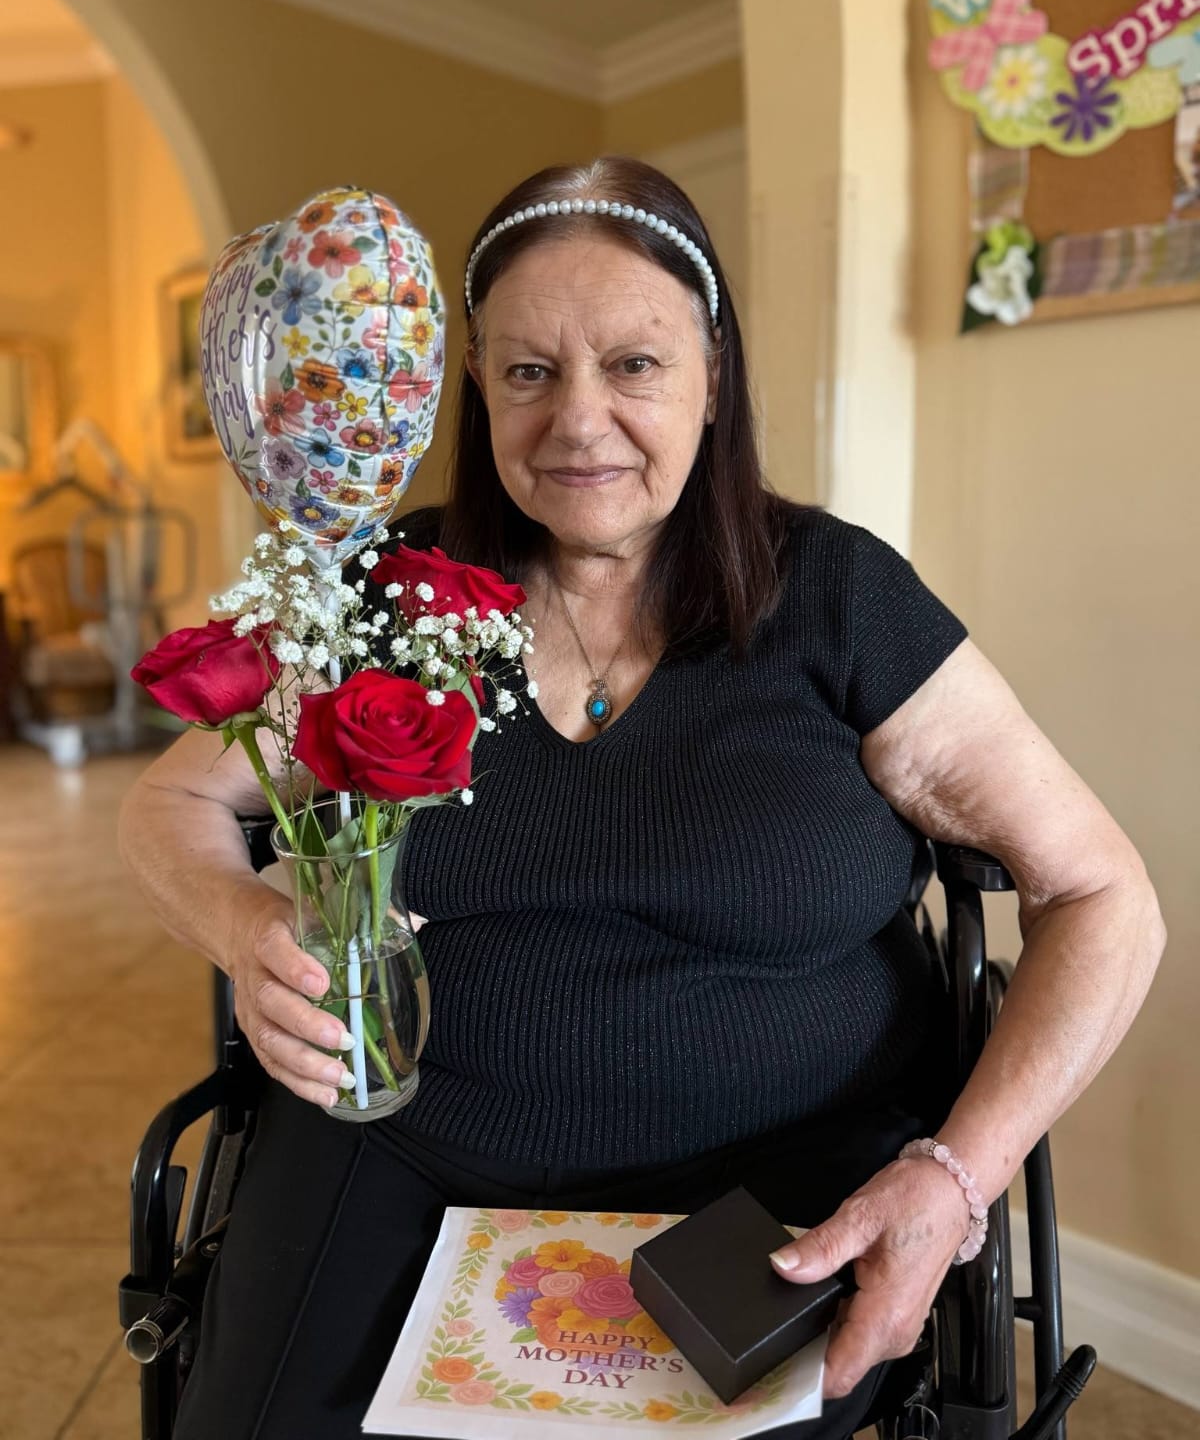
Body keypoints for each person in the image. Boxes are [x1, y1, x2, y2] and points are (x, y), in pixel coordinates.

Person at [119, 157, 1165, 1439]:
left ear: (713, 377)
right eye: (528, 371)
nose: (578, 421)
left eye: (634, 364)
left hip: (773, 1186)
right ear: (476, 385)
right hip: (403, 1146)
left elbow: (1103, 893)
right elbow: (170, 807)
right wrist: (246, 928)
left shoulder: (839, 597)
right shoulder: (391, 590)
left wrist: (956, 1176)